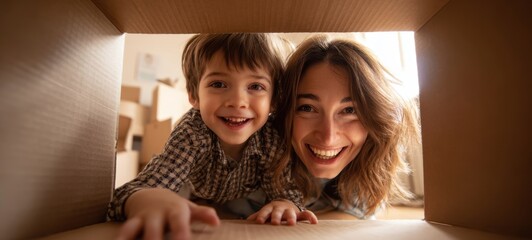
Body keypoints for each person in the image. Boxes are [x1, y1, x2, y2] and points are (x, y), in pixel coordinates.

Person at [108, 33, 317, 240]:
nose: (237, 101)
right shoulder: (192, 132)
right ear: (194, 94)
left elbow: (286, 192)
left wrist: (286, 204)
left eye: (256, 86)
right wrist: (145, 200)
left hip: (245, 196)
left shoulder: (271, 136)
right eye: (218, 84)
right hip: (194, 191)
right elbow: (133, 191)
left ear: (274, 100)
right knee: (173, 202)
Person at [249, 34, 421, 222]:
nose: (328, 137)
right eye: (307, 108)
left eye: (349, 110)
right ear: (283, 112)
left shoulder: (371, 155)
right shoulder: (253, 159)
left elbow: (358, 211)